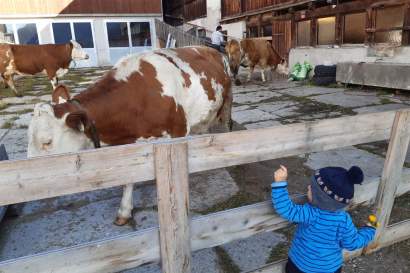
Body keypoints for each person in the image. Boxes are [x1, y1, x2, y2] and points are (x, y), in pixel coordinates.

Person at [271, 165, 378, 273]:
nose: (308, 187)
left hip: (299, 266)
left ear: (320, 197)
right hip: (329, 269)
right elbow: (352, 243)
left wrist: (280, 183)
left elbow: (285, 209)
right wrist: (369, 230)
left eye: (311, 187)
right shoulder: (343, 221)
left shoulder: (309, 213)